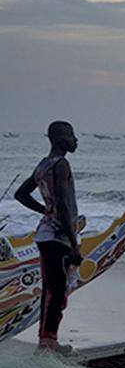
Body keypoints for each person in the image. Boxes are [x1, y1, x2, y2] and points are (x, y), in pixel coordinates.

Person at [14, 121, 82, 354]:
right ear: (59, 139)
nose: (75, 140)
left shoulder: (43, 165)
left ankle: (48, 341)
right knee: (56, 291)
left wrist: (45, 210)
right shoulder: (61, 164)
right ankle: (47, 344)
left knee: (54, 289)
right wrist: (75, 244)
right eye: (71, 136)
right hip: (57, 237)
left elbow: (21, 194)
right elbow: (63, 204)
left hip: (47, 235)